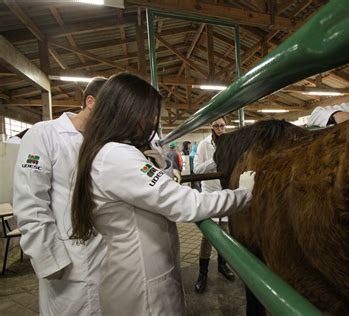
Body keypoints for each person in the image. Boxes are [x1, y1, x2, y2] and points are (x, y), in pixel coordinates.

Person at [69, 73, 255, 315]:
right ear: (128, 112)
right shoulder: (117, 156)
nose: (153, 121)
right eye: (149, 113)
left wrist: (162, 169)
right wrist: (243, 194)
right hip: (143, 288)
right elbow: (185, 203)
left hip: (139, 273)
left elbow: (153, 194)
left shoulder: (111, 151)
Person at [13, 77, 107, 315]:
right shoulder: (45, 134)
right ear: (90, 102)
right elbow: (31, 203)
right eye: (112, 109)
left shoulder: (105, 142)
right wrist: (49, 258)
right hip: (67, 259)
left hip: (104, 256)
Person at [193, 117, 235, 293]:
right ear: (211, 127)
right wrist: (215, 160)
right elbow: (197, 170)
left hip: (225, 194)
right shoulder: (204, 145)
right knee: (208, 237)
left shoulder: (230, 144)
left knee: (224, 234)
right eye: (216, 126)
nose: (220, 129)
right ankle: (203, 273)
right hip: (209, 196)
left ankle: (222, 265)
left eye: (223, 126)